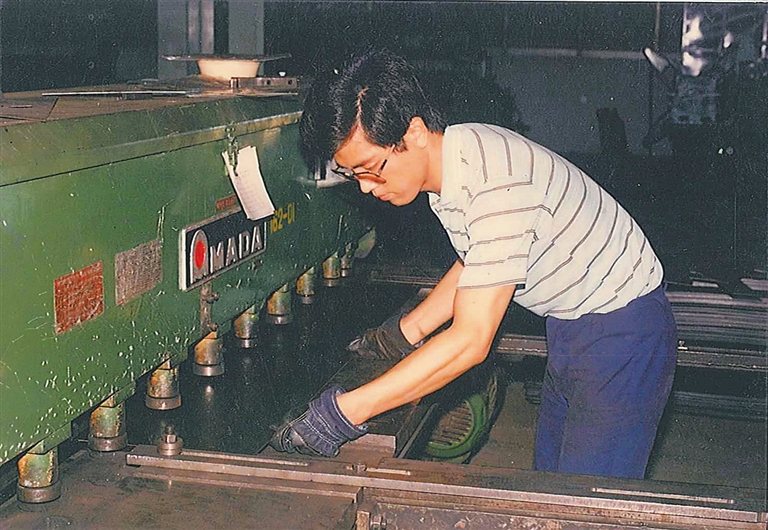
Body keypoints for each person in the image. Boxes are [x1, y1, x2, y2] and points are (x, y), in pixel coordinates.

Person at [270, 49, 677, 479]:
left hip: (621, 334)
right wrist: (405, 332)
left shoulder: (497, 185)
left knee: (585, 501)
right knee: (551, 484)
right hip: (573, 324)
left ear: (415, 132)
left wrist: (345, 413)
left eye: (371, 169)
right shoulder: (459, 155)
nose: (367, 188)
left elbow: (470, 341)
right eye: (354, 175)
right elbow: (478, 261)